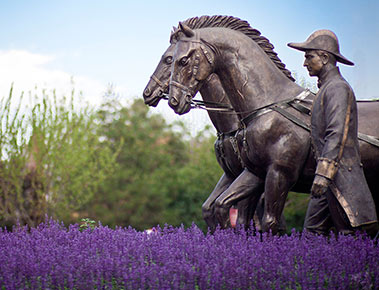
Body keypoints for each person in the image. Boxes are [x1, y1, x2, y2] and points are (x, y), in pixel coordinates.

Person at [288, 30, 378, 237]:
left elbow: (336, 133)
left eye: (309, 57)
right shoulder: (327, 89)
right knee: (313, 234)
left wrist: (323, 173)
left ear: (325, 57)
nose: (304, 63)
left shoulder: (337, 88)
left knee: (351, 235)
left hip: (339, 177)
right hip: (329, 179)